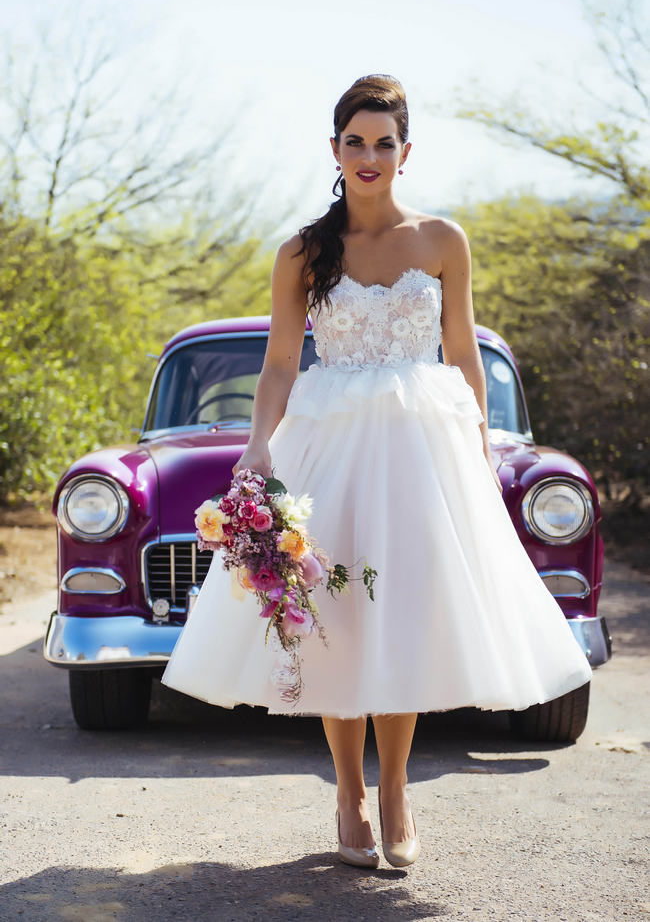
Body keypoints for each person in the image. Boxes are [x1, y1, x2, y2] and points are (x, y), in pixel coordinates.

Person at [161, 73, 593, 870]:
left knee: (405, 613)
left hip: (422, 447)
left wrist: (480, 446)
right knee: (340, 617)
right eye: (354, 142)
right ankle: (348, 792)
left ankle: (395, 790)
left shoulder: (441, 241)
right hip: (331, 446)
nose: (368, 156)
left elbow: (462, 354)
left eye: (383, 142)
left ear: (405, 151)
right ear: (334, 150)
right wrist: (259, 447)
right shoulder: (303, 250)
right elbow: (281, 364)